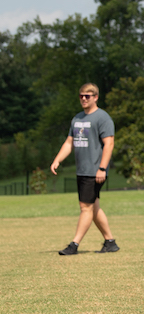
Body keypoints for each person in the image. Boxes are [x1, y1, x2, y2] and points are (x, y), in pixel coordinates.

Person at [50, 83, 120, 255]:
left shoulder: (103, 118)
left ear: (95, 97)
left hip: (95, 170)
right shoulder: (77, 119)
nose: (83, 99)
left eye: (87, 96)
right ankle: (110, 242)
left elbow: (109, 144)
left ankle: (74, 245)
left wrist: (102, 168)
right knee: (93, 207)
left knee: (85, 207)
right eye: (81, 96)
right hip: (82, 170)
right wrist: (57, 159)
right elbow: (69, 142)